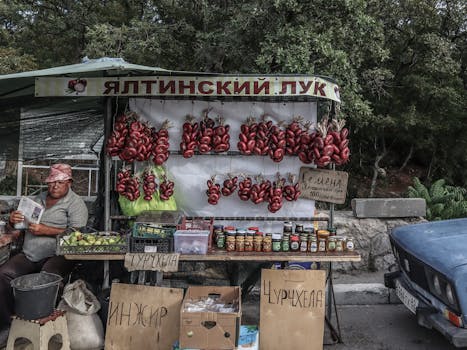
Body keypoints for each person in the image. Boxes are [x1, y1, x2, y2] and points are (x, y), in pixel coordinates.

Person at [0, 164, 88, 345]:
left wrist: (46, 230)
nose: (55, 186)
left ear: (69, 183)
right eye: (51, 182)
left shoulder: (76, 203)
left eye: (60, 182)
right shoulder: (37, 200)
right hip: (30, 254)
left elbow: (78, 234)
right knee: (4, 274)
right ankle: (9, 324)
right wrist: (12, 220)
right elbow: (16, 228)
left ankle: (41, 326)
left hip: (59, 255)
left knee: (46, 279)